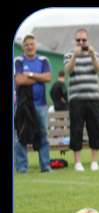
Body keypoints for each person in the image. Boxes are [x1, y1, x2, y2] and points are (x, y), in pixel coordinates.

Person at [64, 28, 99, 171]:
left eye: (84, 40)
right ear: (74, 41)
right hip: (76, 99)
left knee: (95, 129)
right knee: (76, 129)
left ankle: (94, 162)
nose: (81, 43)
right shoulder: (69, 54)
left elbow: (98, 69)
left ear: (88, 40)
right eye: (78, 40)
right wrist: (75, 56)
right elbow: (68, 71)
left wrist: (92, 54)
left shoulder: (95, 53)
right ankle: (78, 162)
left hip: (93, 98)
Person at [14, 34, 52, 173]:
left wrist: (29, 74)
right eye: (26, 45)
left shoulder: (43, 60)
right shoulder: (18, 60)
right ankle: (22, 168)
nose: (29, 46)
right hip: (23, 105)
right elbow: (19, 80)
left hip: (40, 104)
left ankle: (45, 166)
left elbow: (48, 77)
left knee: (43, 134)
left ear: (35, 46)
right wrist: (38, 77)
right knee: (21, 135)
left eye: (31, 44)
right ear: (23, 47)